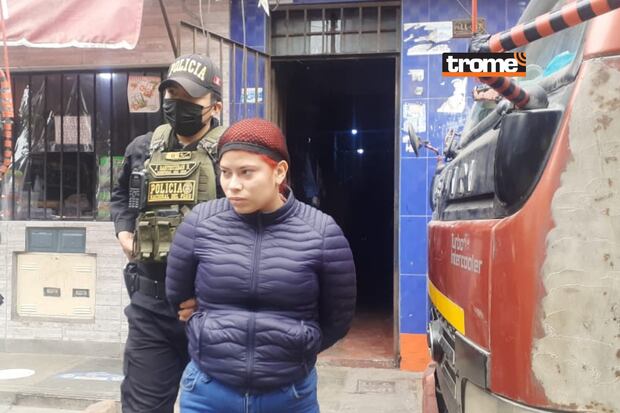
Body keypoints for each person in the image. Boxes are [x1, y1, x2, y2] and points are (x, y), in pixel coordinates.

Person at [166, 118, 357, 413]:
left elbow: (338, 318)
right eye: (225, 173)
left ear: (279, 171)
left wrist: (295, 347)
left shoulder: (321, 232)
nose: (233, 185)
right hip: (208, 393)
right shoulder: (199, 224)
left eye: (246, 172)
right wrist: (208, 330)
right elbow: (177, 298)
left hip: (289, 396)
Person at [110, 53, 226, 413]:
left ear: (215, 106)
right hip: (150, 307)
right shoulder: (143, 147)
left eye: (190, 97)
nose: (178, 104)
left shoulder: (232, 152)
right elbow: (122, 196)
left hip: (212, 312)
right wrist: (124, 232)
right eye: (172, 95)